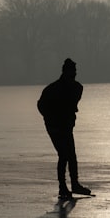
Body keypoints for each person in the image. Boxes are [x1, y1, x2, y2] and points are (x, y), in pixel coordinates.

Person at [37, 58, 91, 202]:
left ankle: (74, 184)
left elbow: (71, 105)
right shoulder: (52, 89)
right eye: (71, 71)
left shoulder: (77, 88)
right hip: (55, 127)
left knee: (71, 154)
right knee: (64, 154)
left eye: (75, 72)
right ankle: (63, 186)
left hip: (66, 126)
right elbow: (41, 105)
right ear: (64, 72)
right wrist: (51, 119)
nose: (73, 74)